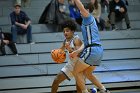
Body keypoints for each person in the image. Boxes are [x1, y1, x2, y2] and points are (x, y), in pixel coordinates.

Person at [69, 0, 110, 93]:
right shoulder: (88, 21)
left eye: (82, 9)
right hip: (98, 50)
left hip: (92, 50)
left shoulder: (88, 18)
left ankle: (84, 92)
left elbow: (80, 7)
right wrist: (77, 51)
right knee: (88, 73)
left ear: (87, 10)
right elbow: (86, 43)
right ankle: (103, 90)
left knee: (76, 72)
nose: (80, 11)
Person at [51, 20, 84, 93]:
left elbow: (80, 55)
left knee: (79, 89)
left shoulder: (76, 40)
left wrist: (70, 49)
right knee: (56, 80)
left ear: (72, 31)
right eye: (64, 31)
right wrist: (55, 53)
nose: (65, 33)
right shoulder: (65, 41)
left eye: (67, 31)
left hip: (79, 65)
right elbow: (61, 51)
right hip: (71, 65)